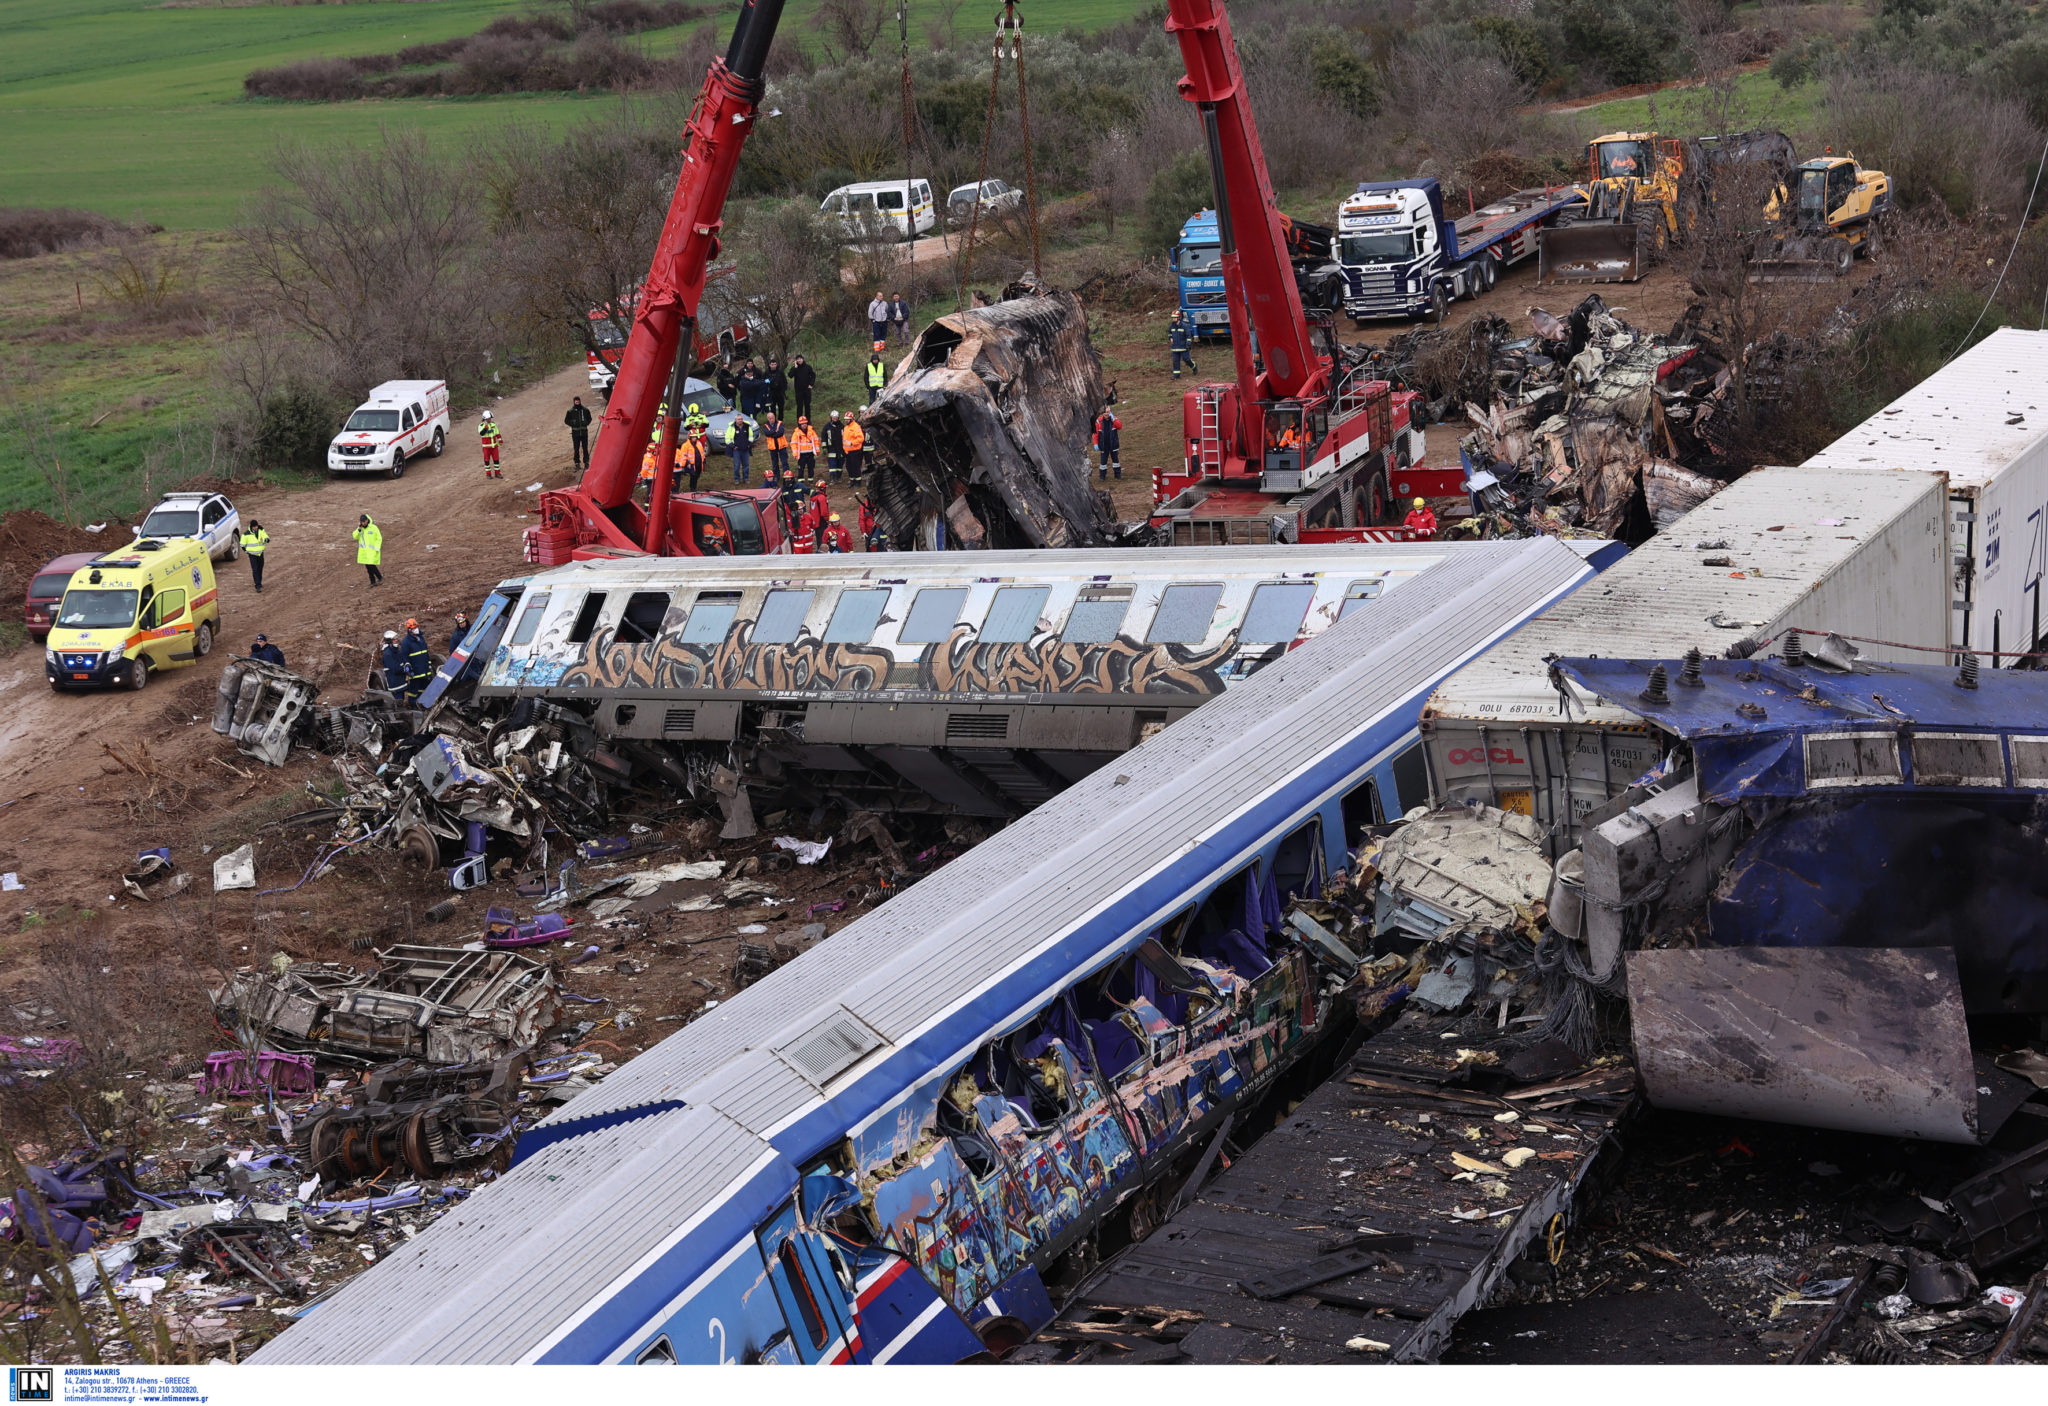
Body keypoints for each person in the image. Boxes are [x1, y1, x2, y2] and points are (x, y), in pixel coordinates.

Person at [238, 519, 270, 593]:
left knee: (260, 568)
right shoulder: (246, 534)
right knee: (255, 569)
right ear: (252, 527)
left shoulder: (261, 530)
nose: (256, 527)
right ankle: (258, 585)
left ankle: (259, 582)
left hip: (260, 553)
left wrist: (267, 539)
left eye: (256, 526)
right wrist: (247, 551)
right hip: (252, 555)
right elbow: (242, 544)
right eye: (255, 526)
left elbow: (265, 536)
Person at [353, 513, 384, 588]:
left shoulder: (373, 528)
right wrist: (359, 529)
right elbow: (354, 536)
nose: (363, 523)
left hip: (372, 551)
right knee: (368, 567)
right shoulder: (360, 529)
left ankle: (379, 578)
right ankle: (373, 581)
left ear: (367, 520)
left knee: (371, 565)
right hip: (364, 552)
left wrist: (377, 547)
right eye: (361, 522)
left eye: (364, 521)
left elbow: (379, 538)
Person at [1092, 406, 1122, 480]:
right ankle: (1102, 476)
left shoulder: (1114, 419)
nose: (1106, 414)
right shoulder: (1099, 421)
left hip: (1113, 444)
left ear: (1110, 412)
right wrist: (1095, 443)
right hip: (1103, 445)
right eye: (1105, 412)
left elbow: (1119, 426)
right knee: (1103, 463)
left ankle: (1117, 475)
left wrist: (1113, 419)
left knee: (1116, 461)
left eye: (1108, 412)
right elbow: (1095, 434)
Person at [726, 411, 756, 485]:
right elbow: (727, 438)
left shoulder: (747, 426)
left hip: (745, 449)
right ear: (735, 420)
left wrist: (749, 444)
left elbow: (751, 436)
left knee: (746, 465)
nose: (740, 420)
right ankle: (737, 479)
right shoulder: (731, 427)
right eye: (739, 419)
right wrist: (733, 446)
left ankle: (746, 478)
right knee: (736, 466)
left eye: (741, 419)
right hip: (736, 450)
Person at [760, 413, 790, 485]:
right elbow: (767, 433)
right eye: (770, 418)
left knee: (784, 462)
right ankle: (776, 476)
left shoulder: (780, 423)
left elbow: (781, 432)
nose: (771, 419)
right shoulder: (766, 426)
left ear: (774, 417)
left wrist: (772, 434)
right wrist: (775, 432)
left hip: (781, 446)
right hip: (772, 447)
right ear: (768, 419)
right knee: (775, 463)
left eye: (772, 417)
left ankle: (787, 476)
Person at [564, 397, 592, 471]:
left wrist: (586, 422)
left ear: (580, 401)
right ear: (574, 402)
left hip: (584, 433)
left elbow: (590, 418)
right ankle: (577, 463)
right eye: (576, 402)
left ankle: (586, 462)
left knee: (585, 448)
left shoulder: (585, 410)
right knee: (576, 448)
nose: (577, 403)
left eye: (578, 402)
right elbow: (566, 420)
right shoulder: (570, 411)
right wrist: (573, 423)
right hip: (575, 433)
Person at [1169, 310, 1198, 378]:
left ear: (1179, 317)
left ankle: (1194, 366)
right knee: (1175, 360)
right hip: (1175, 347)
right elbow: (1169, 332)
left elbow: (1188, 336)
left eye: (1175, 317)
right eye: (1173, 317)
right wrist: (1170, 337)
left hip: (1183, 347)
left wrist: (1188, 345)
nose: (1173, 319)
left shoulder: (1184, 326)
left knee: (1186, 359)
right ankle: (1176, 375)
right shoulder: (1172, 326)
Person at [379, 630, 408, 695]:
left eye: (397, 639)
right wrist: (405, 669)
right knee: (398, 703)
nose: (397, 640)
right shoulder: (388, 654)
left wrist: (407, 664)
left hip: (401, 684)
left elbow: (403, 659)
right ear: (389, 641)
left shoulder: (396, 650)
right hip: (395, 687)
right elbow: (395, 669)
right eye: (394, 639)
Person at [791, 417, 820, 482]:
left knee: (811, 467)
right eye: (802, 424)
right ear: (799, 424)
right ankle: (801, 480)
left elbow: (816, 441)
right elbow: (793, 444)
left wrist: (817, 450)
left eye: (805, 423)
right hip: (801, 454)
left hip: (810, 453)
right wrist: (795, 454)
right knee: (801, 468)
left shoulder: (811, 431)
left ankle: (810, 479)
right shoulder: (796, 433)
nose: (804, 425)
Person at [842, 410, 866, 481]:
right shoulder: (846, 428)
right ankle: (852, 480)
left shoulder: (856, 427)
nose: (846, 421)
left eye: (847, 419)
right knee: (849, 467)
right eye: (845, 419)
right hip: (847, 451)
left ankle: (857, 481)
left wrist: (852, 443)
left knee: (855, 467)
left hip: (855, 451)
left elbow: (861, 438)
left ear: (852, 419)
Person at [478, 409, 503, 479]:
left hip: (494, 446)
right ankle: (488, 474)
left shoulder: (493, 424)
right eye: (488, 418)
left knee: (496, 460)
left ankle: (497, 473)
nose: (490, 420)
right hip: (486, 447)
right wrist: (486, 426)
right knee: (487, 461)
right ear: (485, 419)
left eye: (490, 418)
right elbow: (481, 433)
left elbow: (497, 433)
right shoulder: (481, 425)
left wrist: (500, 440)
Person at [791, 354, 816, 421]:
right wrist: (794, 367)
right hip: (798, 390)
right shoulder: (795, 368)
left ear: (803, 359)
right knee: (799, 406)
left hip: (807, 390)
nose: (799, 360)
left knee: (807, 405)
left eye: (800, 359)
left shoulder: (808, 367)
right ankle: (799, 420)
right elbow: (790, 375)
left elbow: (813, 375)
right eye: (798, 359)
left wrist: (811, 384)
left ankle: (808, 420)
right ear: (796, 360)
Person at [823, 411, 845, 483]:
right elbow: (824, 437)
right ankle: (833, 478)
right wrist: (824, 447)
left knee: (840, 464)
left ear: (838, 418)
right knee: (832, 465)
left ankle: (838, 477)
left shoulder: (842, 426)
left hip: (841, 449)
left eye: (836, 417)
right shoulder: (827, 427)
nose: (835, 419)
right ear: (831, 418)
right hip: (831, 449)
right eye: (833, 417)